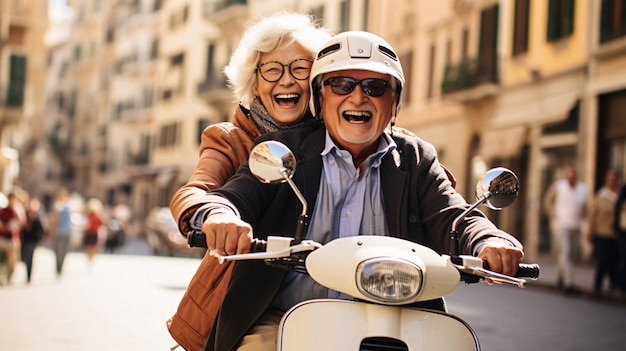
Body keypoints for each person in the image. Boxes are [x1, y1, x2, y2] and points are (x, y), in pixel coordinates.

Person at [194, 31, 524, 351]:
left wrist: (490, 240)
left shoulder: (415, 159)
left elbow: (453, 214)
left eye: (375, 86)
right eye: (342, 84)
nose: (358, 97)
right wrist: (220, 216)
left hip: (397, 320)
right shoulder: (282, 150)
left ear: (394, 100)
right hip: (285, 318)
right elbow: (235, 196)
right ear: (321, 96)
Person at [167, 12, 332, 351]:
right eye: (272, 70)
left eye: (300, 68)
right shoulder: (229, 139)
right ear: (255, 83)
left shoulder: (339, 138)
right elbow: (195, 190)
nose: (286, 80)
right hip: (249, 299)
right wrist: (217, 217)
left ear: (316, 80)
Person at [544, 163, 588, 294]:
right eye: (569, 177)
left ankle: (558, 278)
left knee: (569, 254)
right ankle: (569, 283)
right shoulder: (559, 187)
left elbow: (586, 207)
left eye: (573, 177)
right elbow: (547, 201)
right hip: (562, 225)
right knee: (567, 252)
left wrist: (583, 213)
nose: (571, 179)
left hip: (576, 224)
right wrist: (552, 214)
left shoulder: (582, 189)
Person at [586, 169, 619, 294]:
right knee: (603, 259)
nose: (612, 182)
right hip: (602, 232)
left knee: (614, 259)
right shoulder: (601, 196)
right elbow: (593, 215)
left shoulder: (619, 194)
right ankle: (598, 285)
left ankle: (614, 283)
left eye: (614, 180)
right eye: (610, 180)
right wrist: (590, 231)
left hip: (615, 233)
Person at [20, 197, 49, 283]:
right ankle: (27, 272)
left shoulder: (37, 218)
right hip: (24, 239)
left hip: (33, 240)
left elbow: (42, 230)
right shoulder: (25, 215)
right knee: (25, 257)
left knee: (30, 257)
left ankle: (29, 275)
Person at [0, 193, 26, 284]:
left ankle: (9, 278)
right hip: (2, 239)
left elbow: (22, 223)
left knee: (12, 262)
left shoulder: (17, 210)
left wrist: (16, 213)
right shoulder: (3, 210)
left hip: (13, 240)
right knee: (1, 260)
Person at [49, 188, 74, 278]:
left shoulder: (57, 206)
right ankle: (60, 268)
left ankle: (58, 268)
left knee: (58, 251)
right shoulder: (68, 206)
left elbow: (54, 220)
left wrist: (51, 233)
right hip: (67, 231)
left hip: (60, 231)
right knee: (63, 251)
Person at [83, 198, 104, 264]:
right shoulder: (88, 216)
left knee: (93, 246)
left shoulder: (97, 217)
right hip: (89, 233)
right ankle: (89, 257)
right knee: (89, 246)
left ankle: (91, 257)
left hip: (94, 233)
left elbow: (101, 224)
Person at [615, 181, 626, 293]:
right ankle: (620, 284)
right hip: (623, 230)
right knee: (623, 257)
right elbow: (618, 207)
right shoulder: (624, 189)